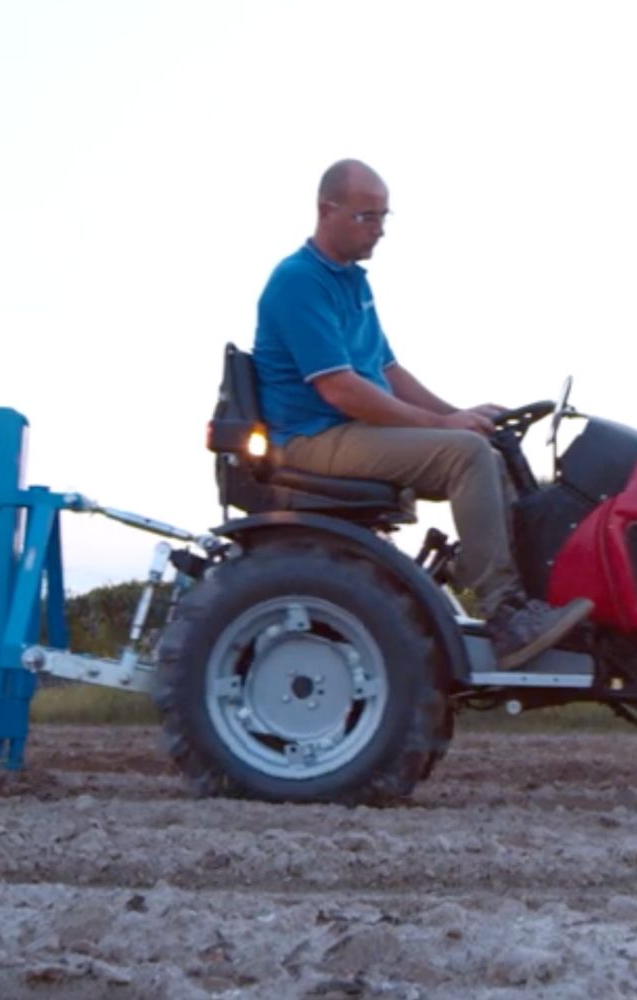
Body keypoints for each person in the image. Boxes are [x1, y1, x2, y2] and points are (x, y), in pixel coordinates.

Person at [252, 158, 592, 669]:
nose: (380, 230)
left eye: (385, 217)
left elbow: (387, 371)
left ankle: (521, 591)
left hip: (349, 427)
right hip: (314, 435)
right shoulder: (299, 281)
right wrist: (443, 429)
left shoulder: (350, 282)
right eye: (368, 217)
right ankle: (506, 617)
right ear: (328, 210)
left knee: (490, 449)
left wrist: (460, 413)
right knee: (466, 456)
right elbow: (341, 389)